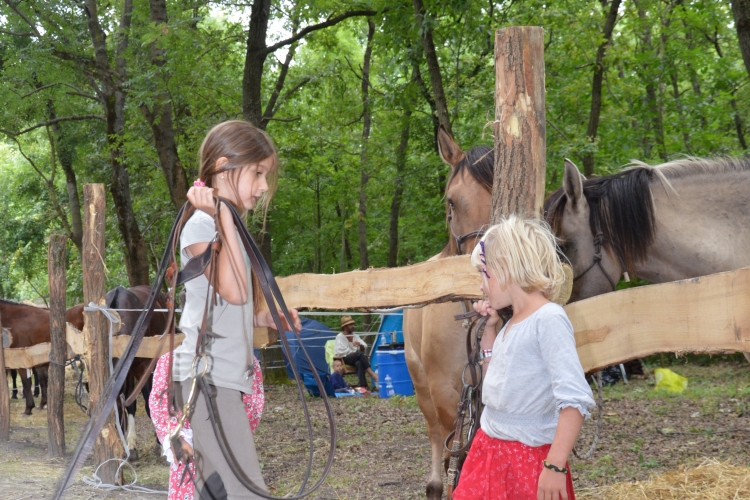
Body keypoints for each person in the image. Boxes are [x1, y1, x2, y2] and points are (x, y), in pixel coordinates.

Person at [176, 120, 301, 499]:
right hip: (208, 385)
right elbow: (235, 291)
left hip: (219, 383)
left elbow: (230, 303)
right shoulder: (202, 226)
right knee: (249, 494)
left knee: (215, 493)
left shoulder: (225, 229)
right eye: (258, 173)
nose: (263, 186)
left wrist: (263, 319)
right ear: (224, 168)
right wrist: (223, 217)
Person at [453, 215, 595, 500]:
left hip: (526, 461)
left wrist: (554, 466)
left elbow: (575, 401)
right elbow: (499, 382)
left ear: (507, 267)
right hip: (490, 453)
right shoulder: (512, 323)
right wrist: (489, 331)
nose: (481, 286)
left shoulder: (548, 319)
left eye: (484, 273)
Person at [149, 352, 265, 500]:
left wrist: (235, 435)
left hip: (228, 446)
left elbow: (253, 403)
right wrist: (175, 436)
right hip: (189, 450)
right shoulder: (172, 360)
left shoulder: (245, 361)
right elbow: (160, 402)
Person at [333, 316, 378, 388]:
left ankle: (363, 386)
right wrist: (352, 352)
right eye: (350, 325)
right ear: (345, 327)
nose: (352, 326)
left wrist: (359, 345)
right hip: (345, 359)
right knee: (359, 355)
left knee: (359, 362)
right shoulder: (340, 337)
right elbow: (340, 351)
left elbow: (363, 347)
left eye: (353, 324)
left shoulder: (355, 336)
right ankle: (372, 375)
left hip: (355, 358)